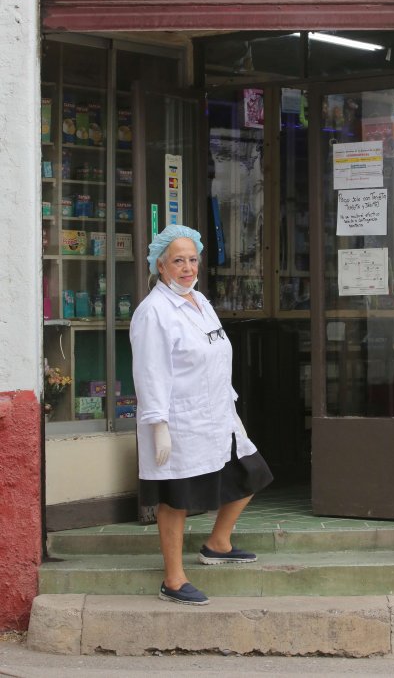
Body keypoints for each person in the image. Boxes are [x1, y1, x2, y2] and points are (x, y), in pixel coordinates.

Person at [130, 224, 273, 606]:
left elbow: (215, 359)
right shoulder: (154, 313)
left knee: (251, 472)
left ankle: (217, 543)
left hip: (217, 414)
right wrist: (159, 426)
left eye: (193, 260)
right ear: (161, 266)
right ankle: (173, 580)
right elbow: (150, 373)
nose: (188, 267)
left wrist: (231, 407)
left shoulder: (199, 301)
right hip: (180, 420)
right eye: (178, 261)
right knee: (176, 497)